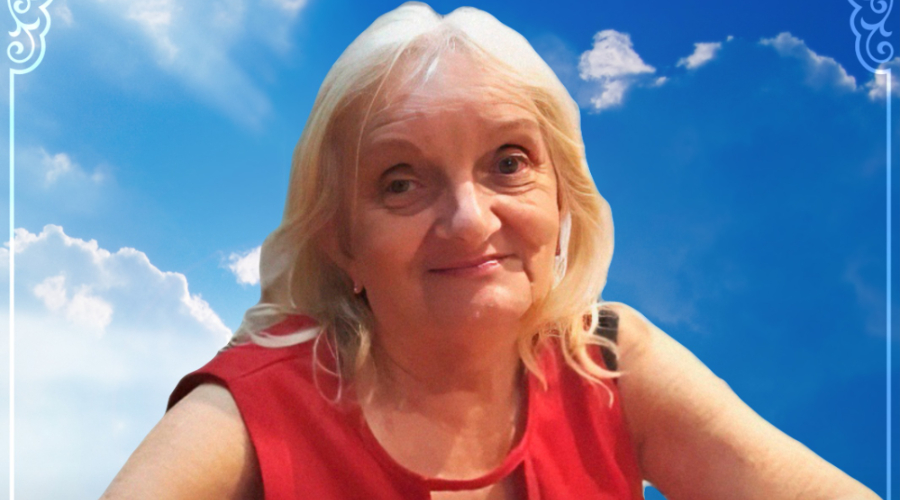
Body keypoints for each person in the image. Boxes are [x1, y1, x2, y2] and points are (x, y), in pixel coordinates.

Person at [101, 3, 881, 499]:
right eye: (401, 182)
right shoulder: (250, 410)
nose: (469, 219)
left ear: (562, 195)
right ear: (341, 241)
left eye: (509, 163)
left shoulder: (610, 363)